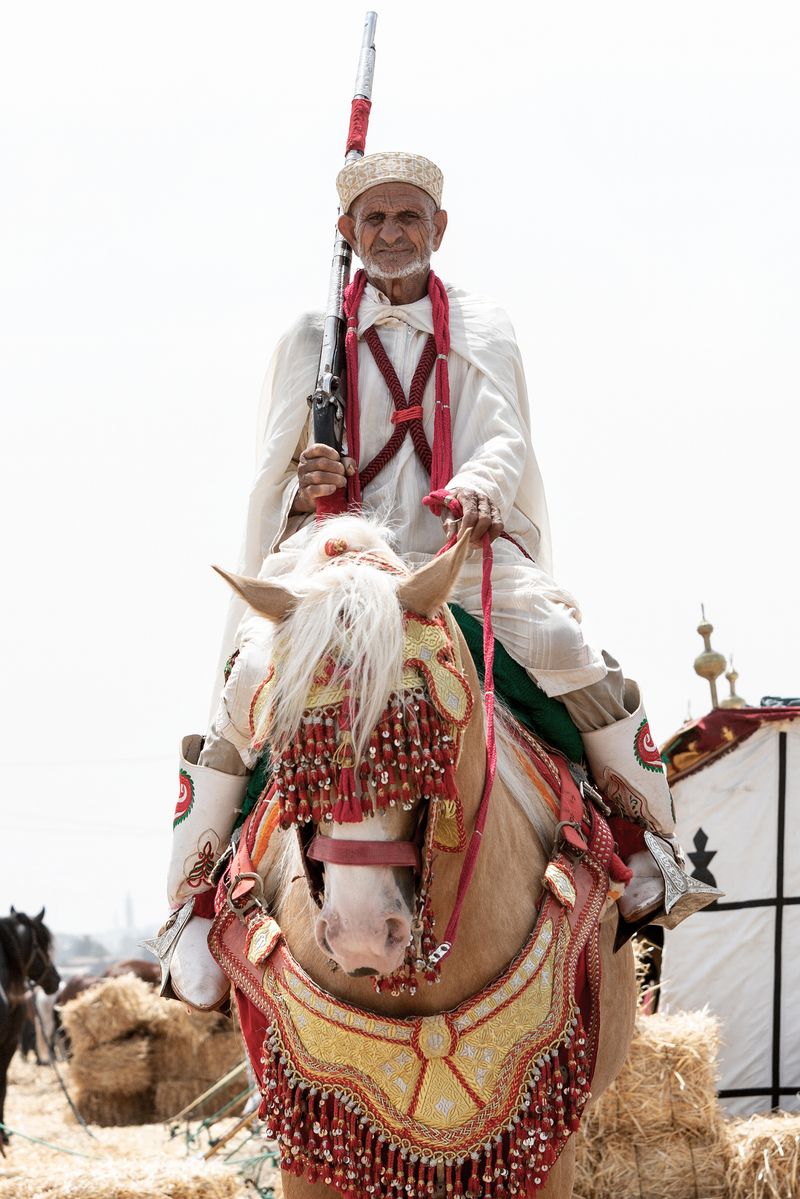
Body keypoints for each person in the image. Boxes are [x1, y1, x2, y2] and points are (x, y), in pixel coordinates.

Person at [156, 152, 718, 1006]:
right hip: (338, 566)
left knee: (568, 647)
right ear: (348, 232)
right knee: (247, 677)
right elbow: (277, 476)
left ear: (438, 229)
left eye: (407, 218)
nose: (390, 234)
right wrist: (315, 485)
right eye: (373, 220)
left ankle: (648, 843)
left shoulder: (484, 327)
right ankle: (191, 907)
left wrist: (480, 491)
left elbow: (504, 437)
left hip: (453, 553)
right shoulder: (311, 338)